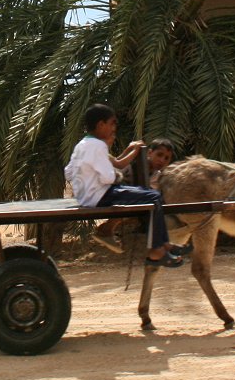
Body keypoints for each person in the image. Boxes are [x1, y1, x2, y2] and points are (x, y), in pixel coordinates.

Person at [65, 104, 188, 267]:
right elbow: (108, 177)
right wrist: (114, 175)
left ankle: (163, 244)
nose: (114, 128)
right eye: (112, 123)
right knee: (154, 196)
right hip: (100, 195)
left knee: (145, 193)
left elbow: (68, 172)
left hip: (87, 196)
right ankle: (157, 249)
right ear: (101, 125)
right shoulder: (99, 146)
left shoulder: (82, 144)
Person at [95, 138, 176, 252]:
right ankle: (107, 229)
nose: (162, 160)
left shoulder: (157, 176)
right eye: (159, 155)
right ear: (149, 153)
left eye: (166, 158)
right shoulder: (132, 164)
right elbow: (114, 172)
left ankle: (107, 229)